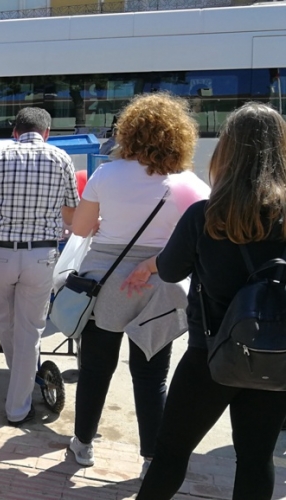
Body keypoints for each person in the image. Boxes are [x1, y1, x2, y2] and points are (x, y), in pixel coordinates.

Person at [125, 103, 286, 499]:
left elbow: (171, 270)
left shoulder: (206, 215)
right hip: (276, 354)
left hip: (209, 356)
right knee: (256, 459)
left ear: (226, 150)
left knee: (171, 454)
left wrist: (153, 264)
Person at [67, 93, 210, 472]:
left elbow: (80, 228)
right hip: (161, 283)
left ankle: (83, 444)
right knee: (151, 376)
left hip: (104, 282)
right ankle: (150, 458)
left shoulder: (106, 175)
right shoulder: (190, 185)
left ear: (128, 132)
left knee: (95, 370)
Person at [0, 107, 78, 426]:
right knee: (30, 332)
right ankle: (18, 407)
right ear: (47, 133)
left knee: (6, 325)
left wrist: (3, 228)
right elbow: (71, 214)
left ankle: (21, 389)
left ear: (15, 132)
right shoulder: (61, 159)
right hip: (40, 257)